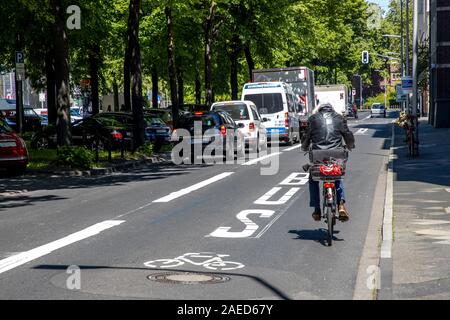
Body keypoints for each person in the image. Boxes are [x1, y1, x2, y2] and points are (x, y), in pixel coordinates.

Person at [301, 102, 355, 222]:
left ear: (319, 110)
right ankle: (341, 204)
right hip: (337, 154)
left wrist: (304, 147)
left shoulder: (313, 119)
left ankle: (316, 209)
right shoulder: (339, 118)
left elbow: (306, 137)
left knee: (313, 179)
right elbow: (347, 134)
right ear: (332, 109)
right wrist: (350, 145)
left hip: (318, 156)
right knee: (337, 175)